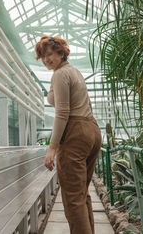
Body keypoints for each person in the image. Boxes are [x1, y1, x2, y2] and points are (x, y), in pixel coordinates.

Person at [35, 36, 102, 234]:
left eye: (49, 54)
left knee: (73, 200)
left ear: (61, 52)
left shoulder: (60, 75)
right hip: (92, 130)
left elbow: (62, 112)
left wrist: (52, 148)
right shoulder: (74, 72)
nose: (46, 60)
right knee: (81, 195)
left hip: (75, 132)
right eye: (42, 56)